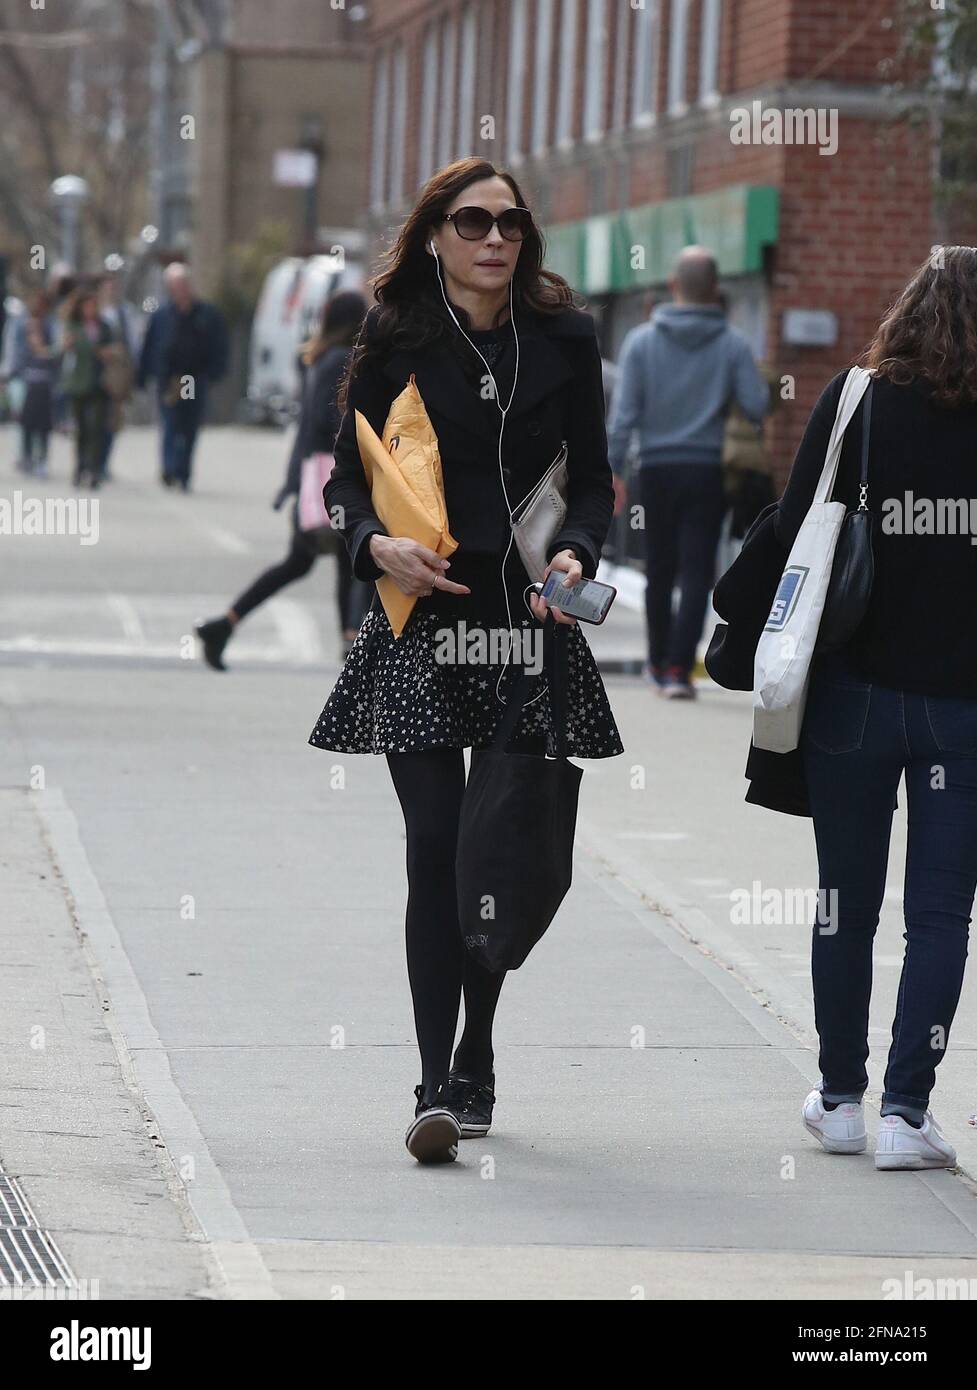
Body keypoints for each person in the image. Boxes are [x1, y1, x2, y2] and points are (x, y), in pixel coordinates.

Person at [309, 156, 624, 1164]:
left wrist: (577, 553)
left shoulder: (567, 339)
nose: (494, 238)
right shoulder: (390, 337)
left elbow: (594, 483)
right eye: (473, 221)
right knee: (434, 846)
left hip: (526, 624)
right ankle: (432, 1078)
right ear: (435, 234)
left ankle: (478, 1051)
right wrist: (371, 547)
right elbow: (343, 490)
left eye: (510, 223)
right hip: (420, 625)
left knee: (497, 847)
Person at [761, 246, 977, 1171]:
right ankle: (904, 1113)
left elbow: (790, 522)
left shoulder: (855, 402)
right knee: (937, 915)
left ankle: (839, 1100)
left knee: (842, 903)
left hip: (848, 695)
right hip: (962, 711)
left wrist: (735, 614)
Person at [607, 247, 768, 699]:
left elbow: (624, 416)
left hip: (654, 469)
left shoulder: (640, 341)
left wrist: (613, 470)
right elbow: (756, 405)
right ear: (715, 292)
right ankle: (680, 669)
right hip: (708, 470)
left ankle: (657, 663)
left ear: (673, 287)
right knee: (697, 569)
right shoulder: (733, 343)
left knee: (659, 568)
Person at [194, 290, 371, 669]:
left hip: (313, 478)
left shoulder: (321, 358)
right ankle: (351, 645)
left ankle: (224, 625)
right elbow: (327, 421)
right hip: (330, 479)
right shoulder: (340, 360)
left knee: (313, 561)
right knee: (351, 560)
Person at [137, 263, 228, 491]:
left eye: (183, 284)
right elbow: (150, 346)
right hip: (169, 379)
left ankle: (183, 472)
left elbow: (219, 345)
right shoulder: (162, 316)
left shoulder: (207, 314)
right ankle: (169, 468)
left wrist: (215, 372)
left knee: (189, 426)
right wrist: (143, 374)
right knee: (169, 423)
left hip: (194, 379)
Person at [60, 283, 115, 489]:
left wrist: (108, 353)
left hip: (100, 383)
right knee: (81, 429)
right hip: (78, 383)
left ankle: (93, 469)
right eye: (87, 306)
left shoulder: (104, 327)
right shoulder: (72, 327)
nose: (91, 310)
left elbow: (115, 349)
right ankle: (80, 466)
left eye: (94, 305)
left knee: (96, 428)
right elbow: (62, 350)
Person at [97, 271, 143, 481]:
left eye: (115, 287)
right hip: (95, 373)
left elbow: (134, 345)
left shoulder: (127, 313)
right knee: (93, 419)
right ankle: (91, 461)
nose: (112, 291)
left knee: (113, 420)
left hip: (117, 375)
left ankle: (103, 461)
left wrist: (133, 372)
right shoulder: (95, 312)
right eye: (109, 287)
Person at [14, 295, 58, 479]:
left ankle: (42, 460)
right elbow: (18, 355)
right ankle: (27, 456)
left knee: (43, 426)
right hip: (27, 381)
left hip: (46, 383)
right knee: (27, 424)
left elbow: (52, 353)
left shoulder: (50, 327)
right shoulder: (21, 327)